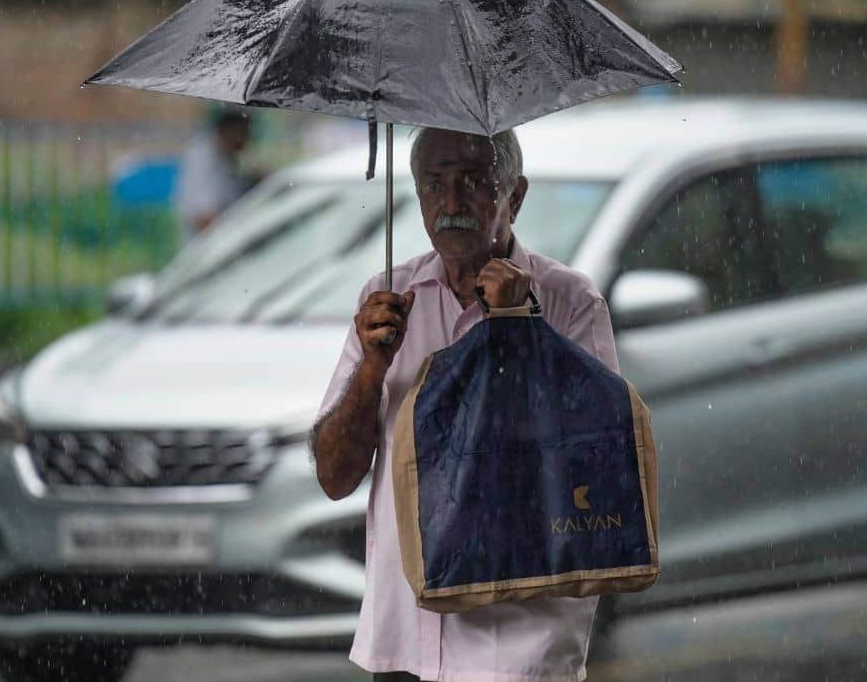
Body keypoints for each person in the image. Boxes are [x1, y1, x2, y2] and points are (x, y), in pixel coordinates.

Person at [313, 127, 619, 682]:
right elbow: (335, 476)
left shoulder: (568, 302)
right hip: (403, 639)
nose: (451, 203)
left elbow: (591, 466)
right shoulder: (385, 301)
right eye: (434, 184)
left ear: (515, 197)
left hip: (516, 642)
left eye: (473, 182)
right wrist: (371, 369)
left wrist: (521, 329)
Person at [172, 107, 251, 241]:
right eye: (243, 132)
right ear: (229, 130)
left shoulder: (226, 159)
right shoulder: (204, 158)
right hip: (207, 248)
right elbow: (204, 218)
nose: (247, 140)